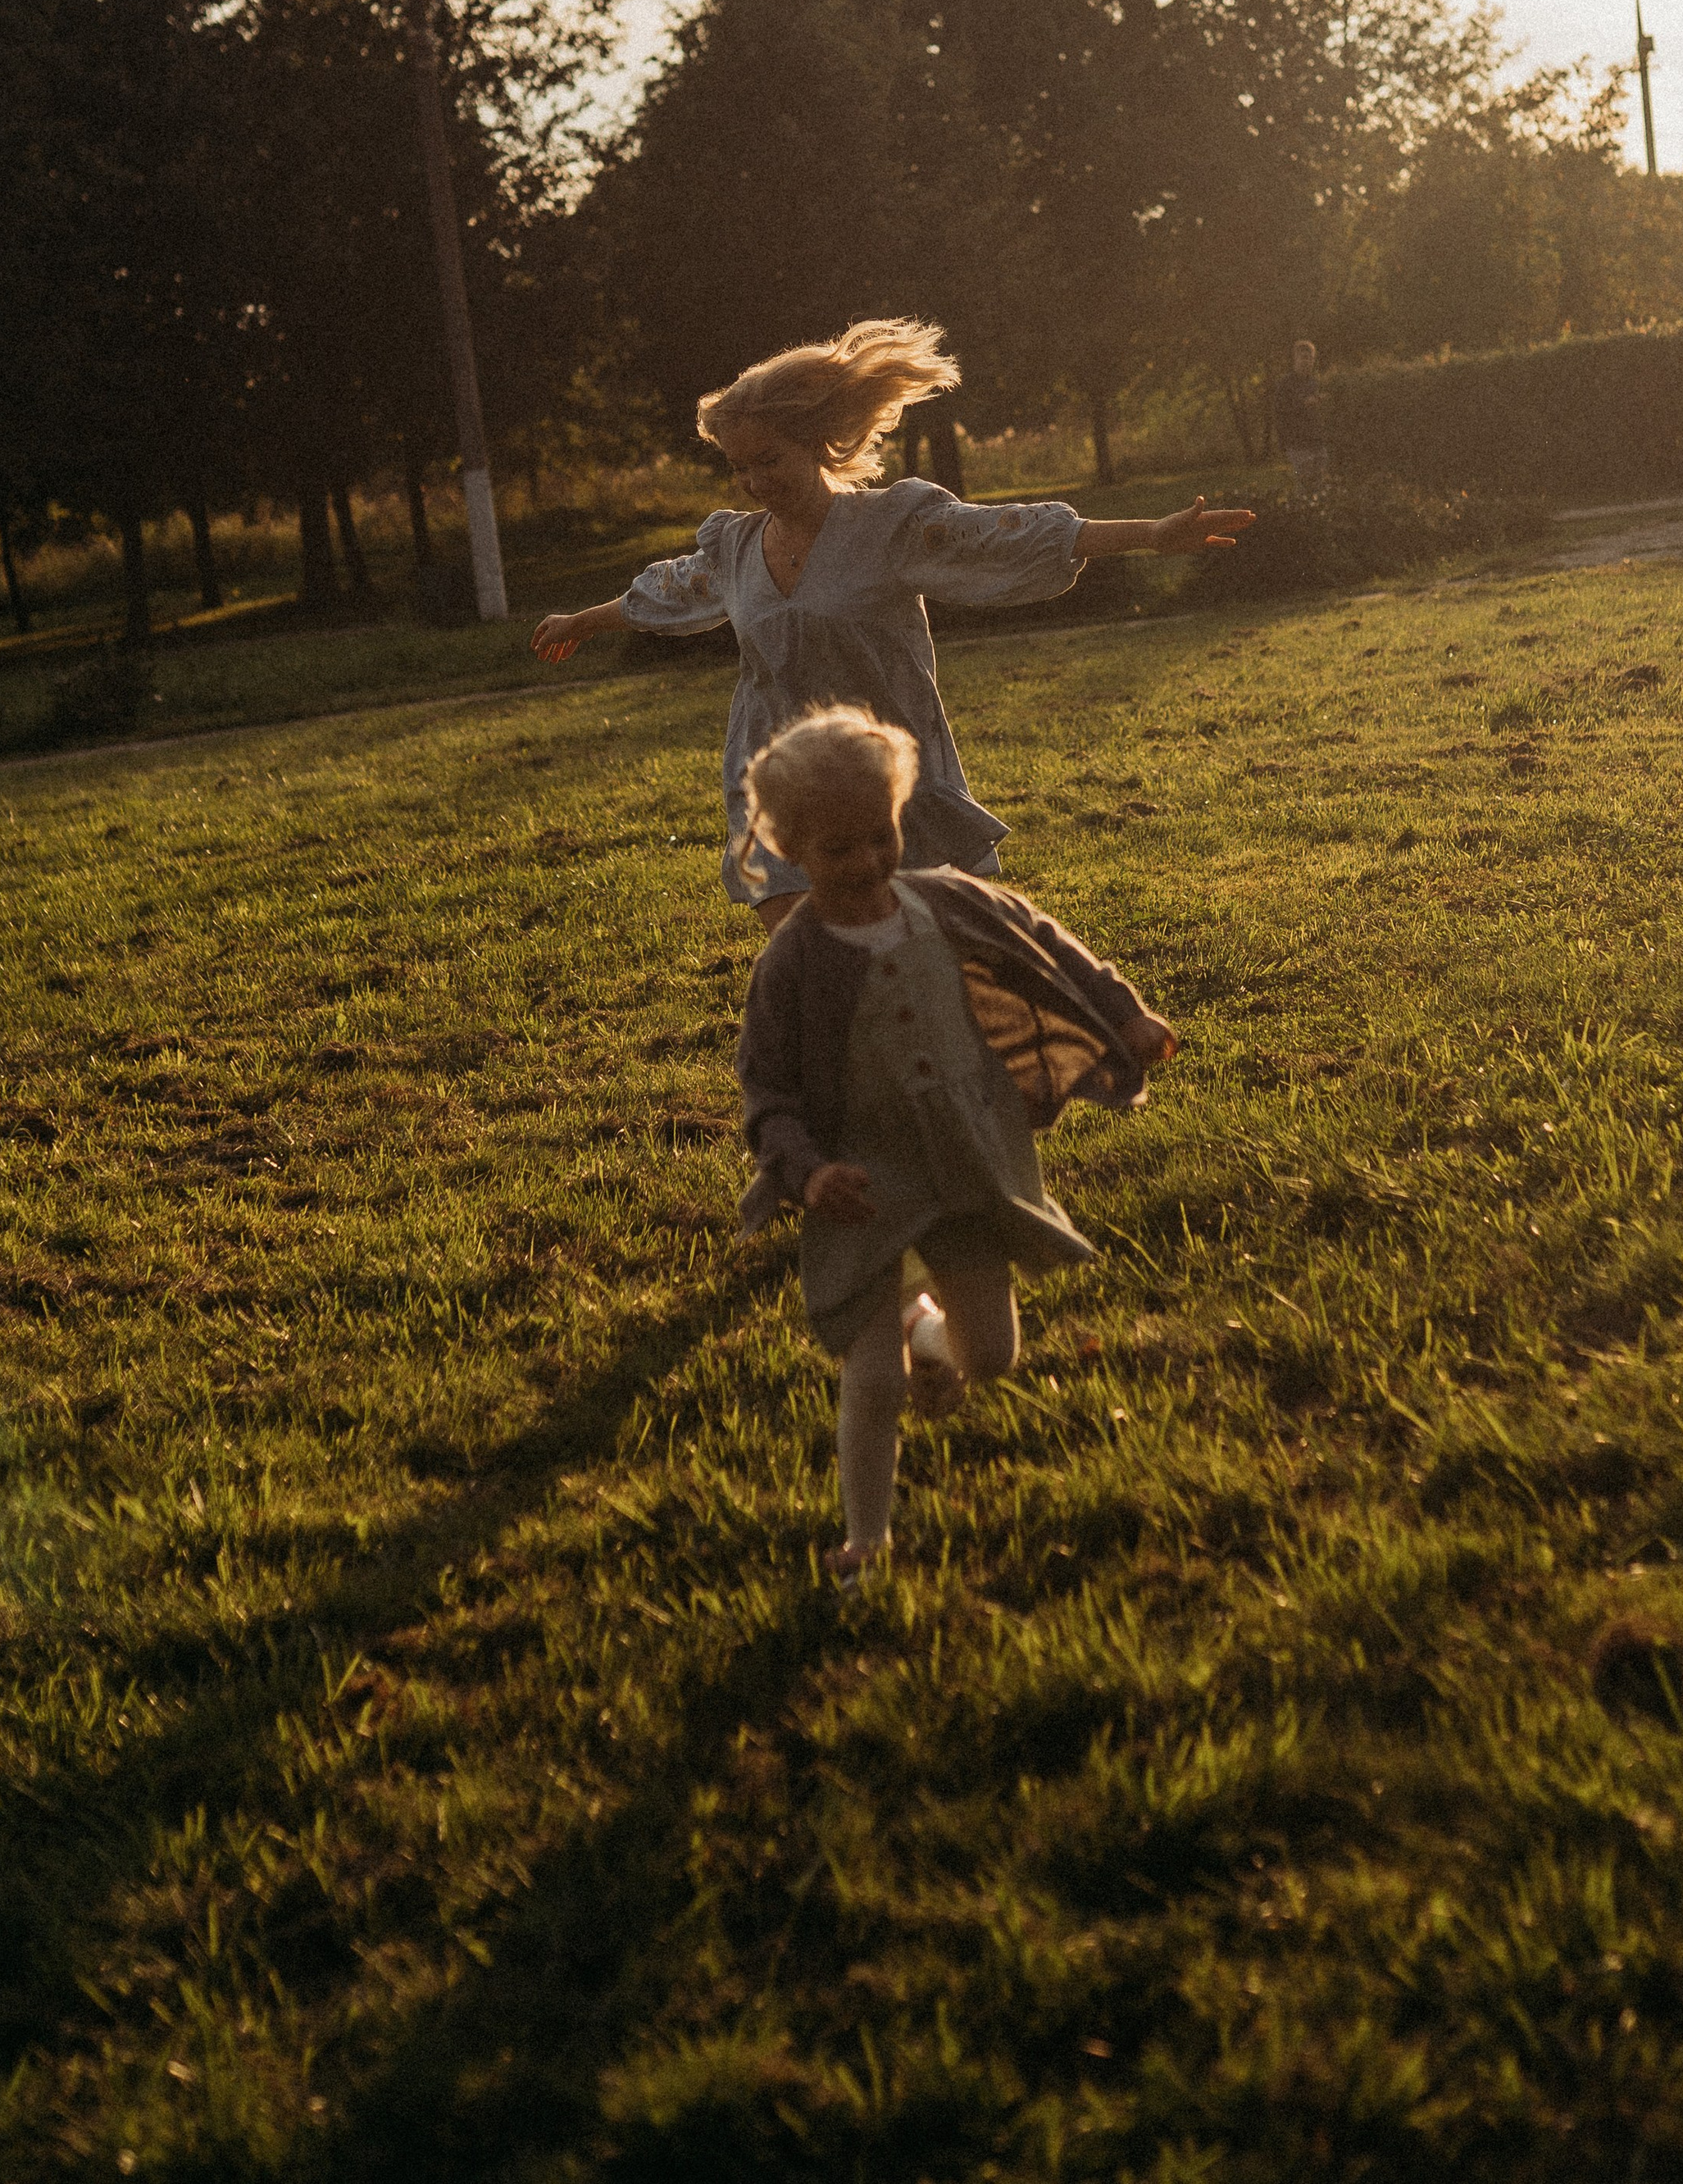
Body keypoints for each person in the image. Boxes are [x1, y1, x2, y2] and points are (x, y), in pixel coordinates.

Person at [530, 316, 1253, 928]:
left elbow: (1006, 533)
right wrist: (582, 621)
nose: (753, 481)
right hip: (779, 784)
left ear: (817, 443)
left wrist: (1152, 534)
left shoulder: (890, 527)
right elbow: (667, 591)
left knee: (923, 953)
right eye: (739, 467)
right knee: (813, 963)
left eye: (768, 459)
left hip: (890, 785)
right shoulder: (736, 545)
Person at [732, 701, 1174, 1586]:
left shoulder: (948, 901)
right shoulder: (793, 959)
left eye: (878, 836)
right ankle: (865, 1541)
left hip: (969, 1159)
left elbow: (1045, 942)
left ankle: (923, 1323)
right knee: (874, 1381)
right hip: (862, 1180)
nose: (864, 863)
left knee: (992, 1358)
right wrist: (809, 1172)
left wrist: (1122, 1011)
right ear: (791, 850)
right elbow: (766, 1091)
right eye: (835, 850)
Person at [1271, 340, 1330, 498]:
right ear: (1295, 359)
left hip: (1316, 440)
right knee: (1304, 480)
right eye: (1303, 358)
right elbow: (1281, 411)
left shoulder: (1314, 383)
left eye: (1310, 358)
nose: (1307, 362)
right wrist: (1303, 404)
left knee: (1320, 481)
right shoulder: (1285, 385)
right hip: (1296, 442)